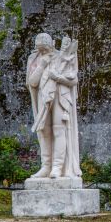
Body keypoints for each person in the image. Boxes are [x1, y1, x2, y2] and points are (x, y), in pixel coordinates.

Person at [26, 33, 82, 178]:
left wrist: (57, 78)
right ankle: (46, 166)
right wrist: (42, 65)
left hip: (60, 96)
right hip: (43, 96)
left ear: (51, 44)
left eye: (44, 49)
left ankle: (57, 167)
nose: (42, 52)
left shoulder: (61, 56)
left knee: (59, 129)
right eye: (40, 49)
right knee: (44, 130)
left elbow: (73, 80)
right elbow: (32, 82)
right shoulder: (34, 59)